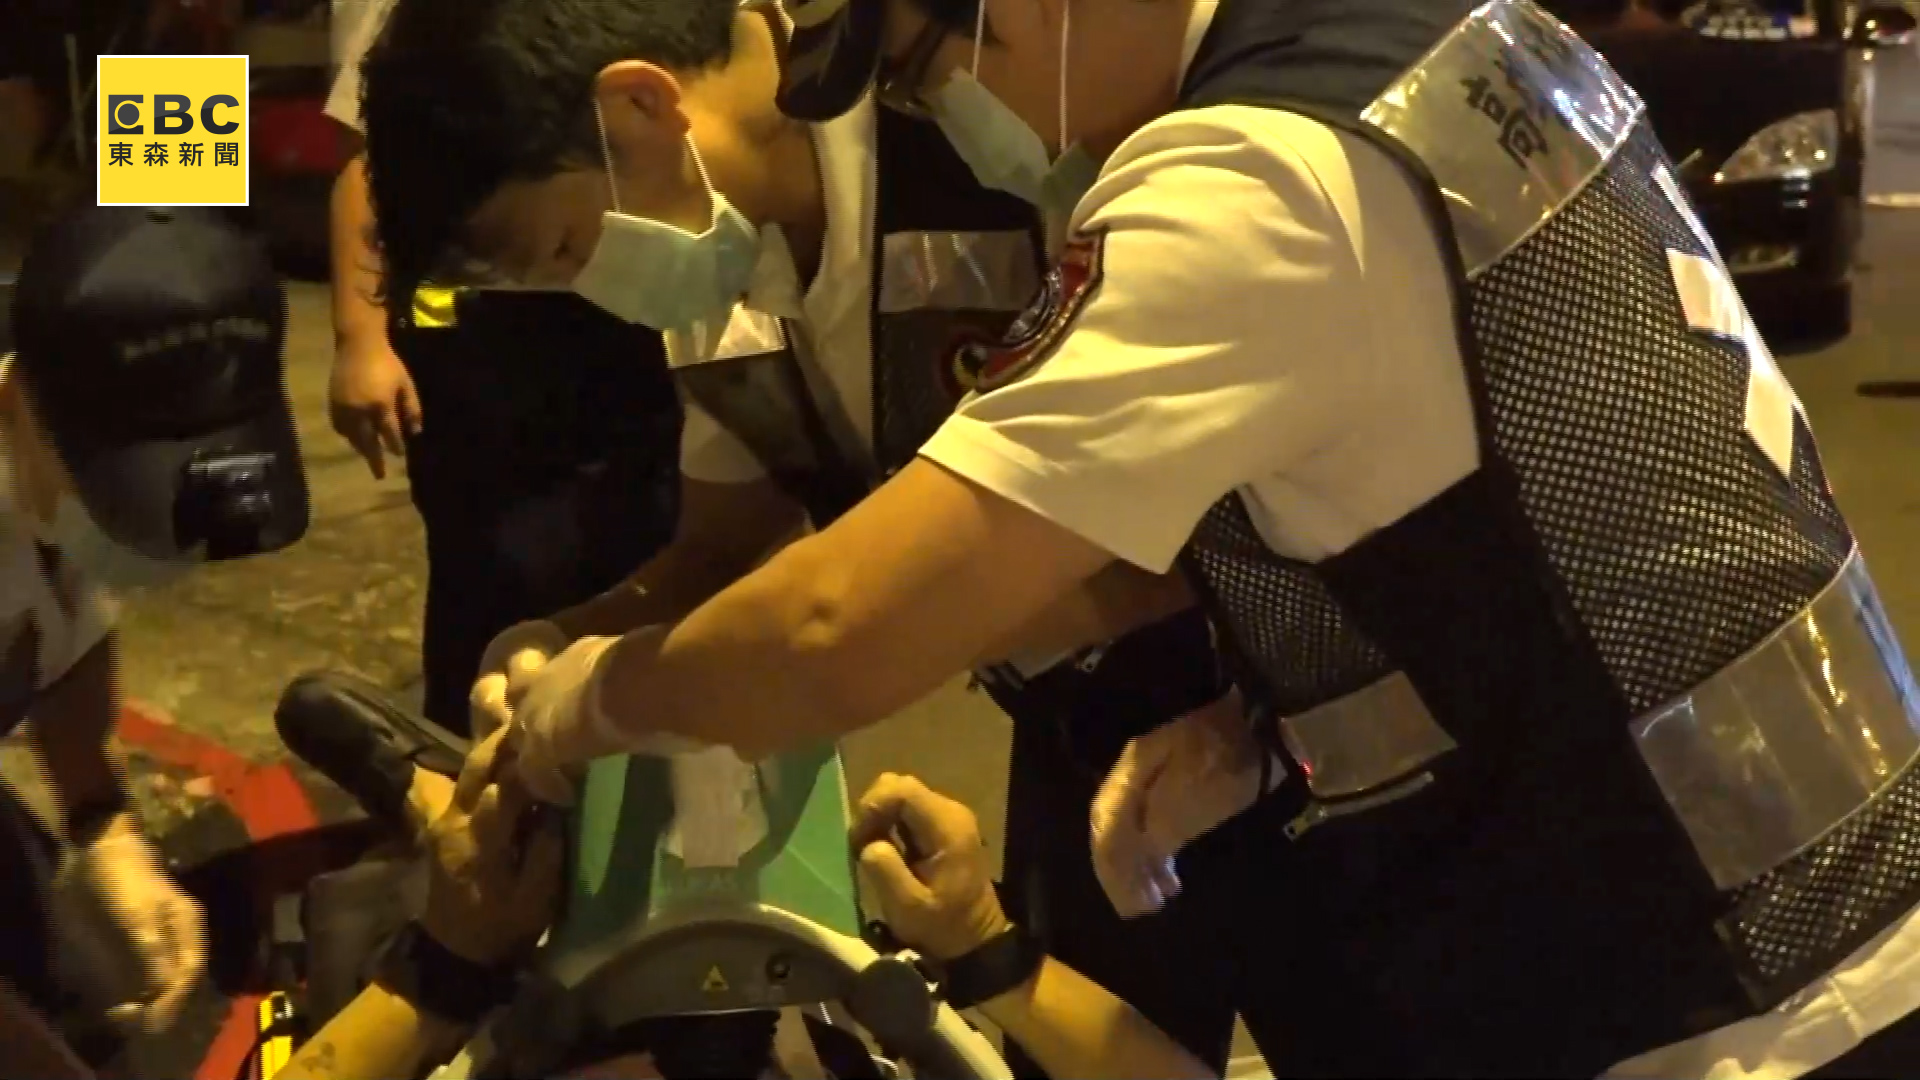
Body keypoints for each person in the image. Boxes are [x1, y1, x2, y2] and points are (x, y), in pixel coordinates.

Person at [477, 0, 1920, 1075]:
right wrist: (1257, 729)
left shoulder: (1242, 178)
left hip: (1715, 998)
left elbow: (832, 630)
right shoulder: (1430, 42)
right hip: (1816, 908)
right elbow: (1524, 492)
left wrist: (575, 709)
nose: (961, 116)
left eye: (937, 61)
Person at [354, 0, 1249, 1071]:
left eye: (570, 246)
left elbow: (853, 620)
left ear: (638, 106)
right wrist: (558, 643)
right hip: (1080, 722)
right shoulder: (715, 272)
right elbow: (721, 550)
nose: (598, 291)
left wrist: (610, 697)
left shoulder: (990, 112)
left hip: (1277, 676)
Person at [268, 717, 1214, 1080]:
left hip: (569, 1021)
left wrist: (445, 969)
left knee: (427, 878)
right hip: (813, 1027)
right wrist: (986, 949)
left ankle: (429, 791)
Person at [324, 0, 684, 740]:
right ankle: (469, 762)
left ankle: (623, 758)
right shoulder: (420, 27)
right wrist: (361, 338)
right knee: (493, 572)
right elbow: (370, 167)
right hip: (482, 333)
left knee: (648, 549)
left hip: (626, 313)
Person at [0, 205, 310, 1058]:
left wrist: (104, 823)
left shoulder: (45, 462)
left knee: (74, 990)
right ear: (14, 403)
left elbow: (60, 635)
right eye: (119, 495)